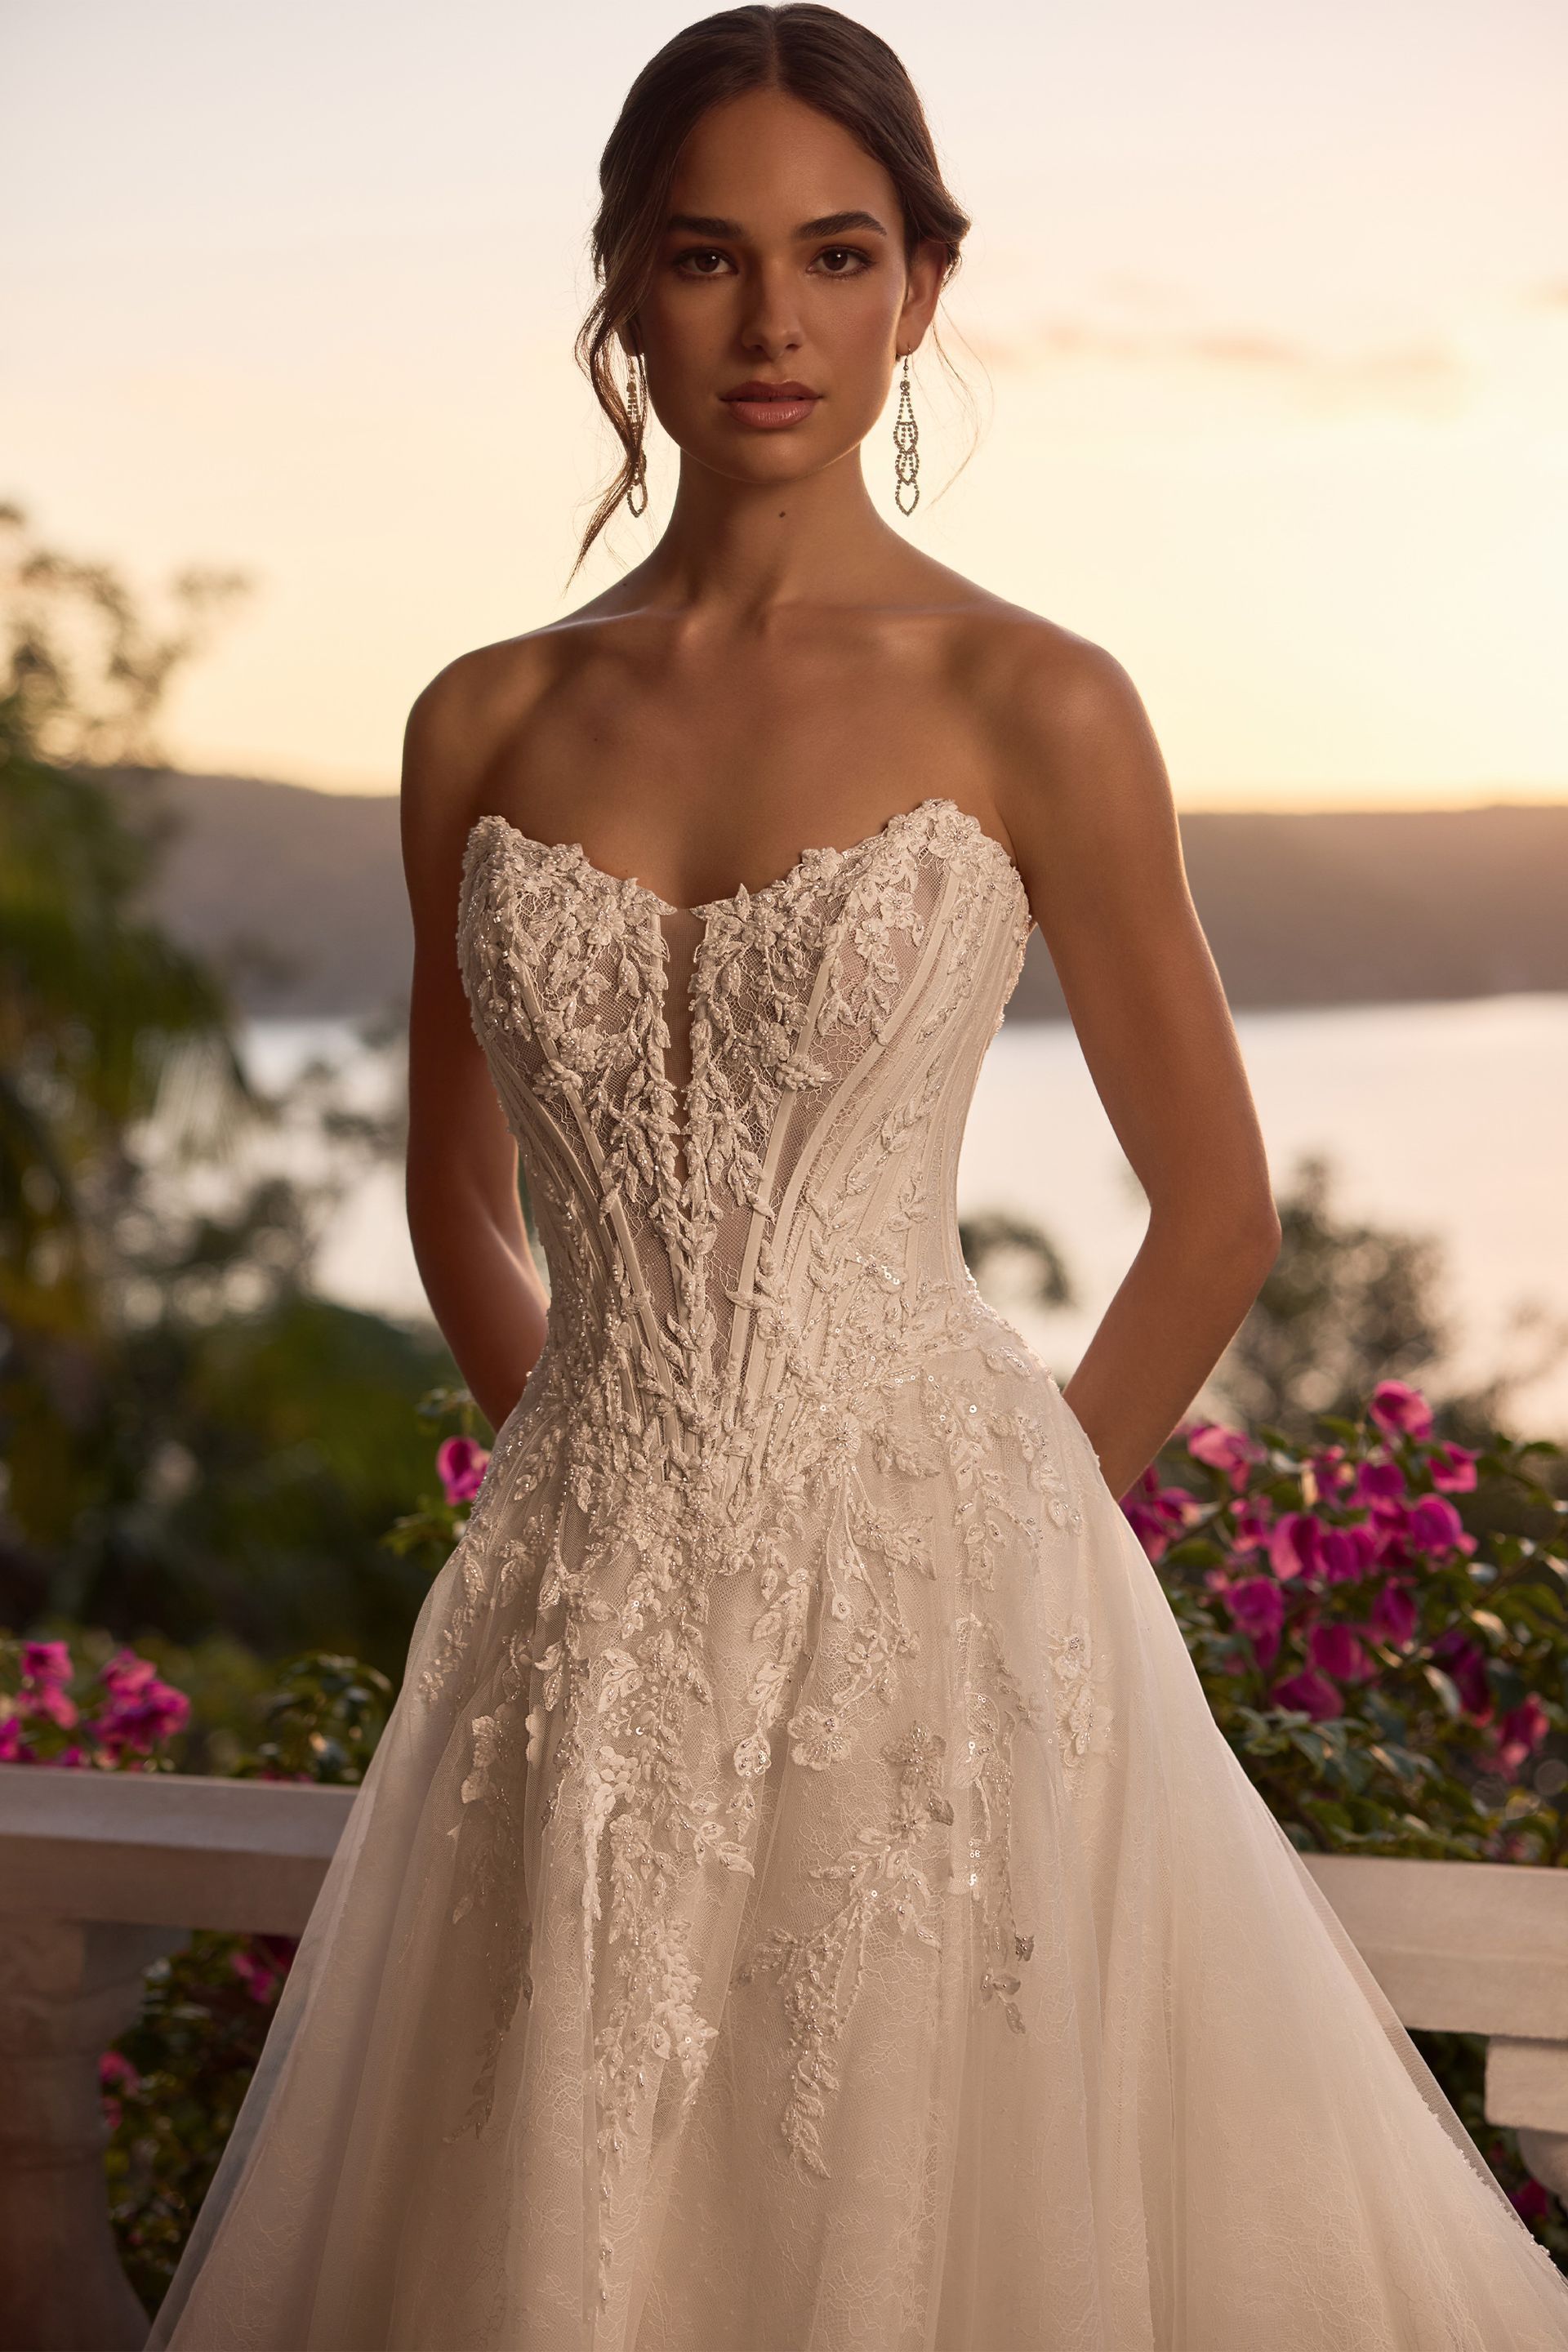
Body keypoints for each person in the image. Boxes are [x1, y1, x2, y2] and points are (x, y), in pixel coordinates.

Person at [146, 8, 1568, 2347]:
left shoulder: (1040, 699)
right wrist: (590, 1489)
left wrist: (998, 1544)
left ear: (923, 285)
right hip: (581, 1623)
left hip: (946, 1607)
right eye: (709, 258)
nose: (774, 321)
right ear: (625, 287)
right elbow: (453, 1194)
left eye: (835, 254)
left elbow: (1216, 1214)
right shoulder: (482, 718)